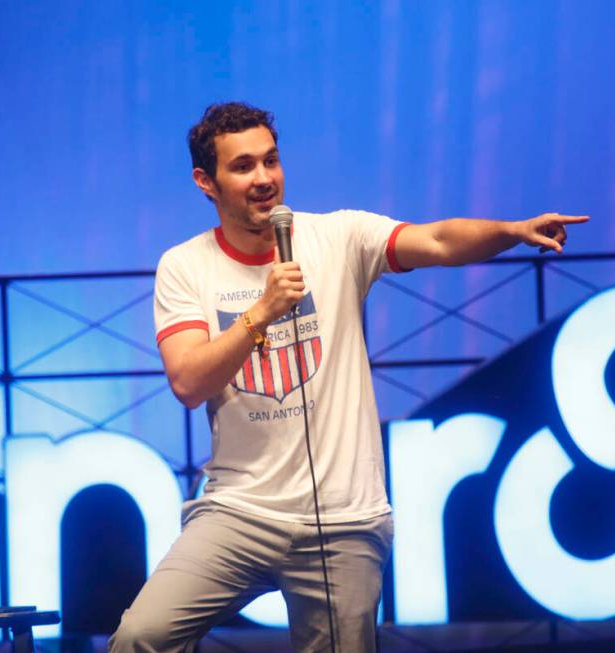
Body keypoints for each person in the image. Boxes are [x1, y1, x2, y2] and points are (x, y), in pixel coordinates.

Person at [109, 102, 588, 652]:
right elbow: (189, 382)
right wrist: (260, 312)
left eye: (271, 161)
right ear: (206, 182)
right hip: (239, 510)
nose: (264, 179)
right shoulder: (186, 265)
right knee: (140, 638)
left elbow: (436, 241)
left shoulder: (338, 236)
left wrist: (510, 230)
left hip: (344, 518)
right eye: (243, 167)